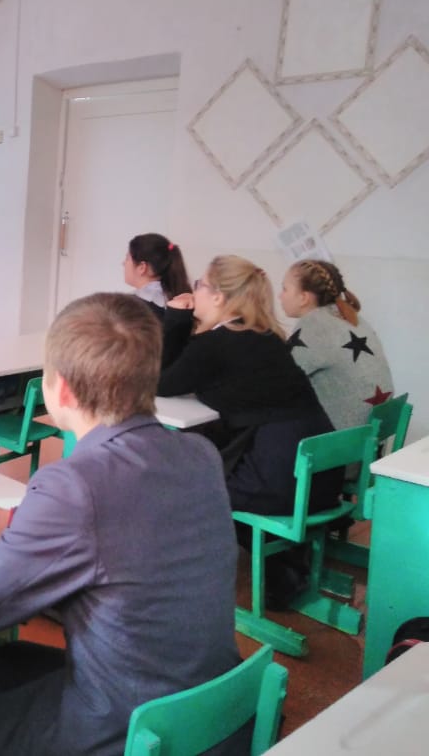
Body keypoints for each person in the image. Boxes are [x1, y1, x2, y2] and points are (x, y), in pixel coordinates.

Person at [0, 293, 240, 756]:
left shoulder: (74, 485)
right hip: (213, 714)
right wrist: (13, 523)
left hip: (133, 732)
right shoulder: (201, 455)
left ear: (62, 390)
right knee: (7, 659)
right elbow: (125, 533)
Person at [159, 255, 341, 607]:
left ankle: (184, 581)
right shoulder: (266, 336)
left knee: (188, 484)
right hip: (320, 475)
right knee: (211, 464)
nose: (194, 291)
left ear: (218, 296)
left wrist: (176, 318)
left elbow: (163, 384)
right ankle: (284, 560)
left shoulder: (216, 343)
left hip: (283, 481)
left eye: (200, 285)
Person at [280, 259, 394, 430]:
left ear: (303, 298)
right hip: (374, 431)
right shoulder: (350, 317)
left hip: (345, 438)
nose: (280, 296)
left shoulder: (313, 324)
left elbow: (281, 378)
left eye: (285, 289)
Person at [122, 232, 191, 317]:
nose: (123, 263)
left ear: (142, 267)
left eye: (127, 258)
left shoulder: (132, 307)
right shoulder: (174, 299)